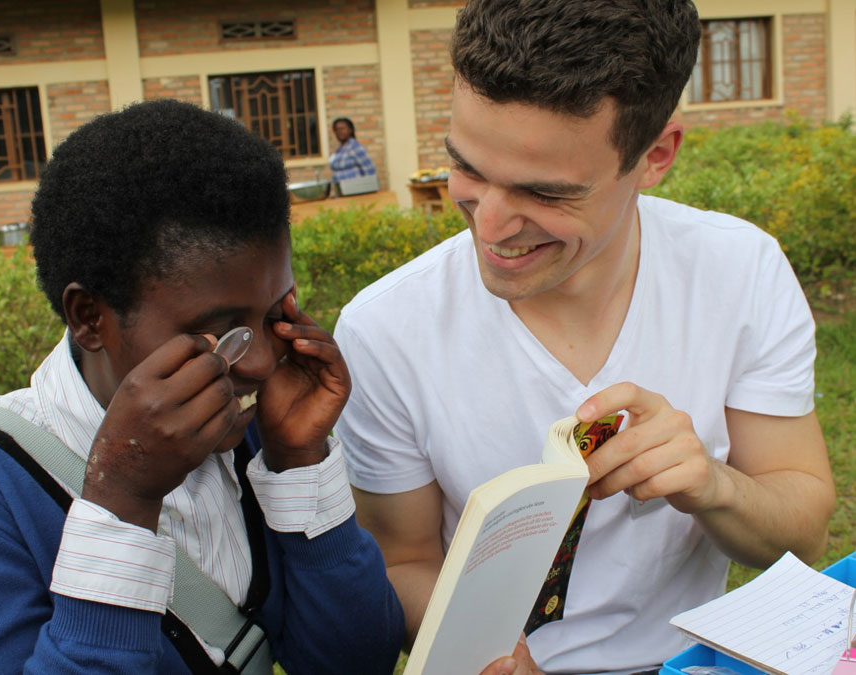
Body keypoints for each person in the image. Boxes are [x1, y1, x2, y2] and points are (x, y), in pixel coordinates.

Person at [332, 1, 836, 673]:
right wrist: (484, 653)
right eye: (468, 170)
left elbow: (800, 527)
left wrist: (713, 484)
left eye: (545, 193)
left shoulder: (740, 273)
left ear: (655, 156)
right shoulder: (386, 327)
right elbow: (405, 557)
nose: (491, 225)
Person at [0, 99, 403, 674]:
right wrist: (122, 502)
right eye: (220, 332)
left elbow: (356, 661)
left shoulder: (252, 439)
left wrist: (300, 461)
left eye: (274, 314)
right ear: (90, 317)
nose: (264, 363)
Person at [328, 117, 377, 185]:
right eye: (336, 129)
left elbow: (369, 169)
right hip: (343, 191)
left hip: (356, 189)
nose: (339, 132)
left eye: (342, 129)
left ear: (350, 130)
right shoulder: (340, 149)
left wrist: (369, 187)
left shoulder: (354, 147)